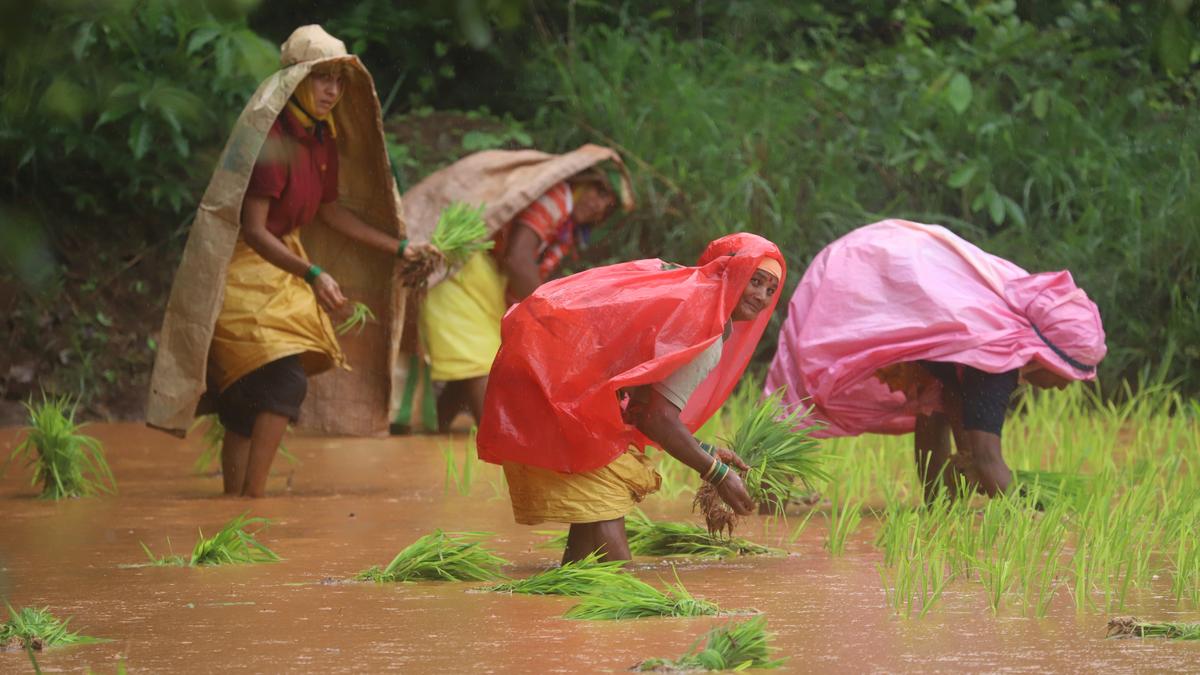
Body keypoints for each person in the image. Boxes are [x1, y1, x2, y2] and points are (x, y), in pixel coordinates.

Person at [147, 25, 433, 496]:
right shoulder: (272, 138)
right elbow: (256, 230)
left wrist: (401, 248)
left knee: (245, 399)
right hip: (241, 269)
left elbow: (330, 211)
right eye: (323, 79)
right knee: (285, 381)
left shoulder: (322, 136)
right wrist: (314, 273)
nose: (332, 91)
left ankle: (232, 513)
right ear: (296, 80)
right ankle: (254, 504)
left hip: (281, 268)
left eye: (339, 81)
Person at [477, 233, 786, 562]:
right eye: (755, 280)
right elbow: (654, 418)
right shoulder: (704, 325)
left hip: (543, 369)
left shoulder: (678, 289)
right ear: (729, 270)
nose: (762, 296)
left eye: (770, 289)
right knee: (614, 552)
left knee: (586, 554)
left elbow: (640, 407)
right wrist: (717, 473)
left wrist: (706, 451)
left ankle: (563, 594)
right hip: (555, 384)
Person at [765, 219, 1106, 501]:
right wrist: (1032, 517)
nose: (1064, 387)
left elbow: (957, 413)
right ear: (1046, 358)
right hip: (865, 275)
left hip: (888, 259)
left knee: (936, 402)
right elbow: (989, 461)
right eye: (1069, 375)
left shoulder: (992, 341)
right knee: (799, 400)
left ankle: (937, 506)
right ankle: (761, 491)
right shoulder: (996, 357)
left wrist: (970, 466)